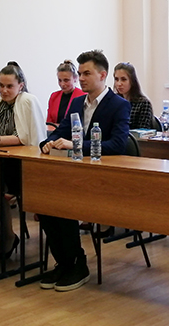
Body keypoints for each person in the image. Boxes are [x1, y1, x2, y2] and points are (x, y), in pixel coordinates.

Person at [39, 50, 130, 292]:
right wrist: (47, 142)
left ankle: (77, 263)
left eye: (86, 73)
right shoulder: (78, 103)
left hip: (104, 176)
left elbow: (118, 144)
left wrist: (77, 145)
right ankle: (65, 262)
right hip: (75, 175)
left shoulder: (119, 105)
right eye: (79, 74)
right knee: (45, 203)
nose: (81, 78)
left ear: (102, 75)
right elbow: (62, 131)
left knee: (64, 203)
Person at [0, 61, 47, 260]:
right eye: (1, 85)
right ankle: (3, 237)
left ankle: (6, 239)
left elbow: (28, 138)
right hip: (1, 159)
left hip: (21, 163)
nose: (4, 90)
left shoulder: (28, 101)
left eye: (9, 86)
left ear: (20, 85)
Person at [112, 62, 155, 130]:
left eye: (123, 79)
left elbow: (142, 132)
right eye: (116, 79)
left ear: (132, 81)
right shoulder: (114, 101)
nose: (119, 84)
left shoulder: (143, 103)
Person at [46, 59, 85, 131]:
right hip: (55, 133)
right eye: (60, 80)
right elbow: (49, 122)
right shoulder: (54, 96)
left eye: (66, 80)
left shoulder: (83, 96)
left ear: (75, 79)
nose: (62, 84)